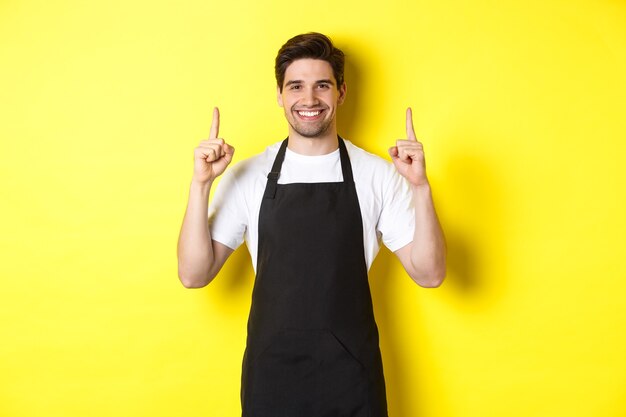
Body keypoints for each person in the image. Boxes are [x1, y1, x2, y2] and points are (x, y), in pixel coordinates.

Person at [177, 32, 446, 417]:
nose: (309, 99)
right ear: (280, 95)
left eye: (322, 85)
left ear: (341, 92)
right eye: (296, 86)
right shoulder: (248, 176)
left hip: (352, 381)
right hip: (271, 380)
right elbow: (193, 273)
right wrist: (200, 185)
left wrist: (420, 187)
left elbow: (430, 274)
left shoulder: (377, 175)